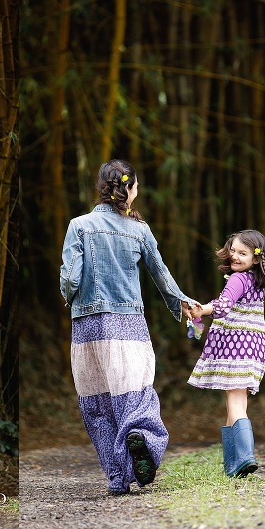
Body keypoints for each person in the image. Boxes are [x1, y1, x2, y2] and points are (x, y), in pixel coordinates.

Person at [60, 159, 197, 496]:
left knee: (97, 404)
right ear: (130, 190)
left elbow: (70, 278)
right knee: (135, 394)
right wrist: (182, 301)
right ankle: (141, 441)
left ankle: (118, 478)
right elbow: (160, 273)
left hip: (87, 327)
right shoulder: (140, 230)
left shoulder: (78, 225)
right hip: (129, 325)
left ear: (101, 189)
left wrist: (71, 299)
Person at [187, 229, 265, 477]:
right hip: (254, 346)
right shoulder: (254, 280)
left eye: (243, 253)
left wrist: (201, 310)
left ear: (257, 258)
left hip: (235, 346)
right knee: (238, 403)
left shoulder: (238, 279)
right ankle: (232, 465)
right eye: (234, 251)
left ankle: (245, 457)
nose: (236, 257)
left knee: (235, 402)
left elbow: (223, 305)